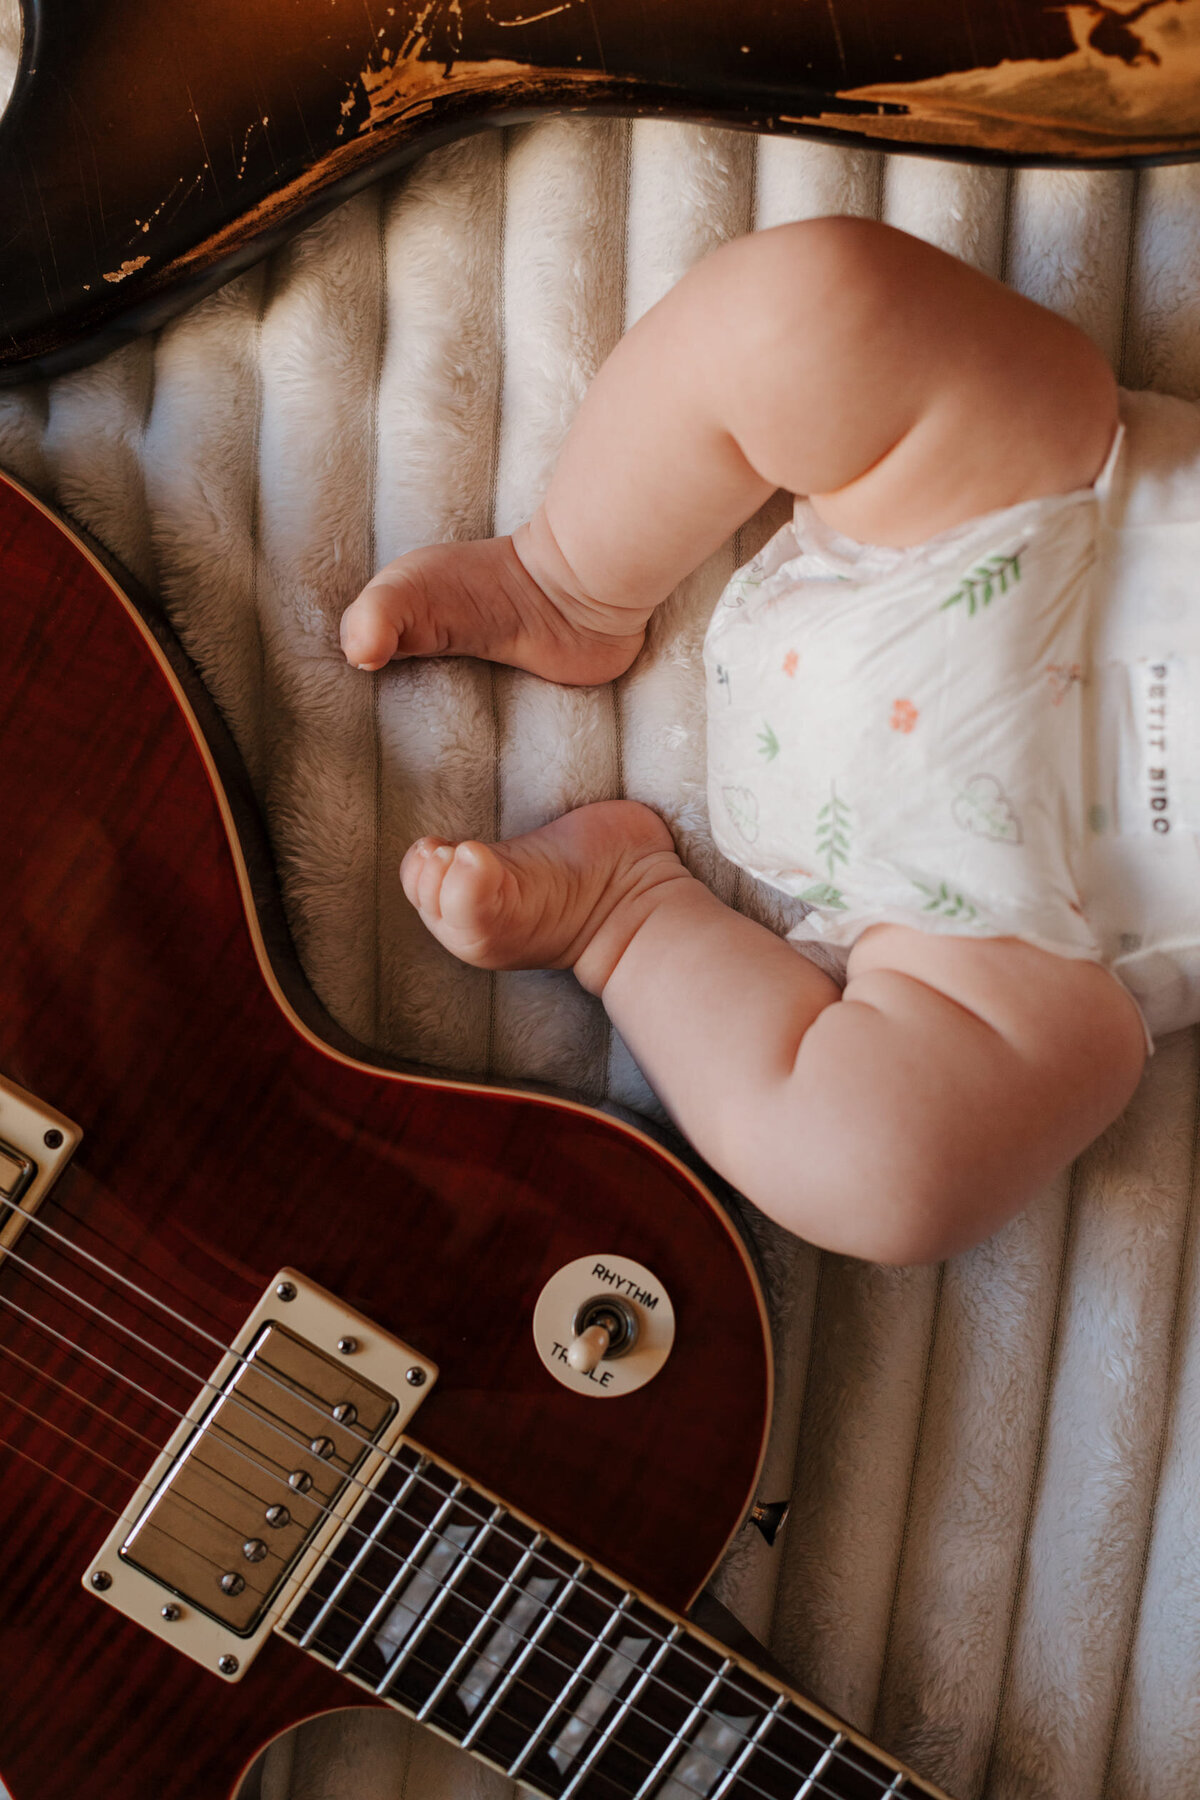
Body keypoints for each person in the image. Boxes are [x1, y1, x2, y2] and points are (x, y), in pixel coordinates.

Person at [336, 216, 1193, 1265]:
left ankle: (625, 922)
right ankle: (564, 576)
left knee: (887, 1172)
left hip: (1025, 918)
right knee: (813, 310)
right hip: (1043, 525)